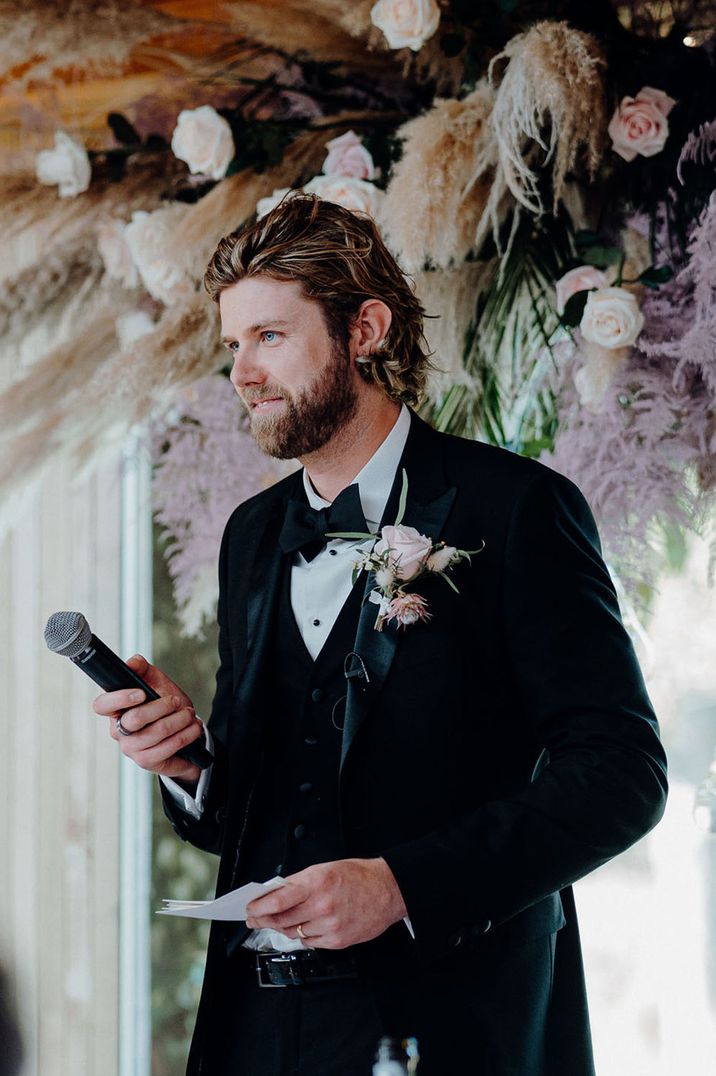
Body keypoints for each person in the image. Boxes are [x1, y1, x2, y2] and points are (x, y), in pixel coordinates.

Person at [94, 193, 668, 1075]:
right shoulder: (251, 534)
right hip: (257, 1033)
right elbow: (269, 802)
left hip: (454, 1026)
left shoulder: (516, 511)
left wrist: (404, 886)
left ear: (364, 328)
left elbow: (622, 777)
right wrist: (193, 768)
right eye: (233, 345)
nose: (243, 372)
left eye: (271, 337)